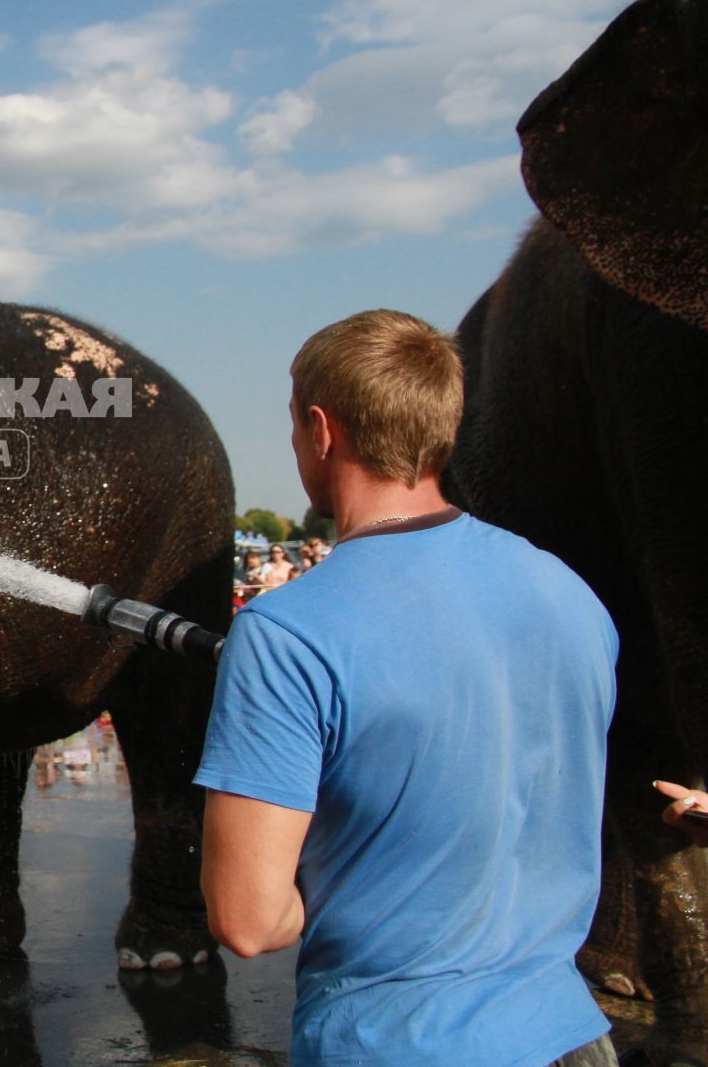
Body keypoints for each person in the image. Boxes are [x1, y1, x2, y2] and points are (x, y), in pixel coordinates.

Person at [195, 309, 617, 1067]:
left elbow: (249, 921)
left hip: (398, 1042)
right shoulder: (569, 594)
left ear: (322, 430)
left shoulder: (288, 632)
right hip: (570, 1033)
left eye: (294, 428)